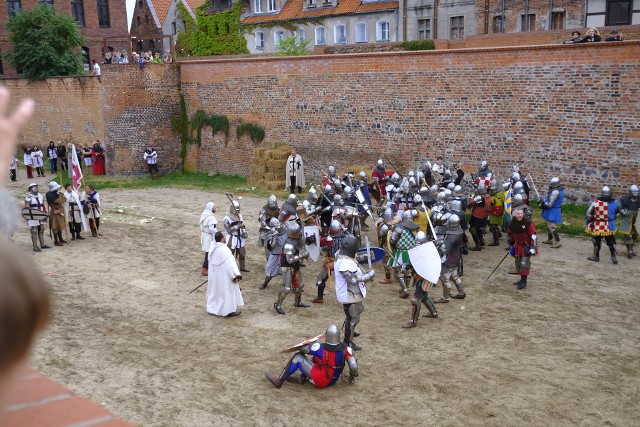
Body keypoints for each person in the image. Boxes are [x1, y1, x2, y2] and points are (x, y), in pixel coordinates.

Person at [265, 325, 358, 389]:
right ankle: (303, 377)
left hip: (322, 380)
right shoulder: (346, 350)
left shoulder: (320, 349)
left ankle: (279, 381)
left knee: (298, 358)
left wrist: (311, 342)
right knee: (316, 359)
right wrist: (351, 377)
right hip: (334, 379)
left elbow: (303, 349)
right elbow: (353, 366)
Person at [335, 235, 374, 351]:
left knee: (357, 312)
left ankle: (350, 332)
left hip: (353, 293)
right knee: (353, 318)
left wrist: (365, 256)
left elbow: (354, 259)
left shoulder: (341, 255)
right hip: (349, 294)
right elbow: (352, 280)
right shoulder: (343, 263)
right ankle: (348, 343)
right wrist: (369, 276)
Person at [403, 231, 438, 328]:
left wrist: (405, 267)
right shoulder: (429, 249)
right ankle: (433, 313)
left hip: (423, 278)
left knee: (416, 299)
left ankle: (413, 321)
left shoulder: (424, 252)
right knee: (424, 296)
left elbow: (414, 262)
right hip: (424, 276)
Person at [274, 222, 310, 314]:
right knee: (287, 288)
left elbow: (302, 243)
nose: (300, 233)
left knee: (300, 285)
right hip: (287, 267)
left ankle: (298, 302)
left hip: (295, 266)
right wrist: (302, 256)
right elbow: (289, 260)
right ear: (293, 233)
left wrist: (304, 238)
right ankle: (278, 305)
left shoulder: (296, 240)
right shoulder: (288, 245)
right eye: (298, 232)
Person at [206, 231, 244, 317]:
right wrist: (235, 276)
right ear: (222, 239)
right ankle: (228, 311)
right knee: (227, 292)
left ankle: (214, 308)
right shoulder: (225, 250)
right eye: (224, 236)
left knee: (217, 292)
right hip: (225, 276)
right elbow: (231, 265)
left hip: (216, 276)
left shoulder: (212, 248)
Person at [313, 220, 347, 303]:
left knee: (320, 279)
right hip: (344, 262)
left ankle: (319, 298)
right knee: (347, 279)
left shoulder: (329, 239)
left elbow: (318, 242)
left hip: (332, 263)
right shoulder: (347, 238)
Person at [436, 214, 467, 302]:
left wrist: (439, 245)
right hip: (456, 256)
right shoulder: (459, 231)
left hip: (449, 259)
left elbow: (445, 250)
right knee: (454, 276)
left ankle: (445, 298)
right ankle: (461, 293)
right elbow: (449, 243)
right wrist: (442, 241)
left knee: (444, 278)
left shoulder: (452, 236)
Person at [586, 186, 620, 264]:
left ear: (602, 193)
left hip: (598, 225)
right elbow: (618, 214)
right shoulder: (615, 202)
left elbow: (588, 214)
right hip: (610, 224)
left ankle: (596, 257)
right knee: (611, 241)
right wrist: (612, 218)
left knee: (596, 241)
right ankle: (613, 257)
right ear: (610, 193)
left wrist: (592, 218)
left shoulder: (596, 202)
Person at [507, 205, 538, 290]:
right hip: (517, 247)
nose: (520, 215)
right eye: (518, 214)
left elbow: (533, 235)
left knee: (524, 264)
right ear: (514, 215)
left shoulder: (528, 223)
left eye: (521, 213)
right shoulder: (512, 224)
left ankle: (524, 282)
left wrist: (532, 247)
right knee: (518, 262)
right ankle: (521, 279)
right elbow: (511, 234)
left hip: (526, 247)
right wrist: (511, 241)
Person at [259, 218, 287, 290]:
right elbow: (271, 247)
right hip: (275, 255)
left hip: (285, 254)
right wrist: (274, 236)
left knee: (288, 270)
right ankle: (265, 283)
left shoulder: (286, 231)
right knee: (270, 269)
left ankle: (291, 286)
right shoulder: (270, 235)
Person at [223, 199, 249, 272]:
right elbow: (229, 230)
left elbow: (242, 225)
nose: (237, 211)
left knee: (242, 254)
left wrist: (244, 232)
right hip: (231, 238)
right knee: (230, 254)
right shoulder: (226, 218)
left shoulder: (239, 216)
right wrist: (237, 226)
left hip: (239, 238)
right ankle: (228, 268)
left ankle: (242, 267)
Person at [24, 183, 51, 252]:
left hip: (40, 215)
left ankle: (42, 244)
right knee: (34, 231)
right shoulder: (28, 198)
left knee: (41, 229)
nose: (36, 189)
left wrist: (44, 213)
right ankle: (35, 247)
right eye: (34, 188)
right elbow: (27, 209)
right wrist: (29, 217)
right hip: (33, 217)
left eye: (37, 188)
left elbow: (43, 206)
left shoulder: (40, 196)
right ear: (31, 189)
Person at [540, 177, 564, 248]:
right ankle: (550, 240)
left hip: (553, 210)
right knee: (548, 225)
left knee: (551, 226)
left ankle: (557, 242)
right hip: (555, 209)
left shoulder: (555, 192)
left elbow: (550, 204)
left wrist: (542, 205)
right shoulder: (560, 190)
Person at [45, 181, 68, 247]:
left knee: (60, 226)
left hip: (60, 211)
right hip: (54, 211)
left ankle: (60, 239)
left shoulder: (56, 193)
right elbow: (58, 201)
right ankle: (56, 241)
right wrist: (61, 194)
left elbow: (64, 200)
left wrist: (62, 195)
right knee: (55, 226)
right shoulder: (49, 195)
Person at [619, 185, 639, 258]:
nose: (635, 195)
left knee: (635, 236)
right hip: (627, 219)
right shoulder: (624, 199)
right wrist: (623, 212)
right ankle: (629, 250)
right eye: (634, 193)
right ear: (630, 192)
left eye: (637, 193)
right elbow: (620, 208)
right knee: (628, 236)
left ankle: (631, 248)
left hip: (637, 219)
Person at [199, 202, 218, 276]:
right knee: (209, 252)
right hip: (208, 236)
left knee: (209, 251)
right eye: (214, 207)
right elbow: (211, 229)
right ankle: (205, 268)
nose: (215, 208)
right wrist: (217, 233)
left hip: (205, 235)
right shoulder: (210, 217)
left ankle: (208, 266)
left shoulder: (205, 214)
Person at [488, 179, 505, 246]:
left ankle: (496, 241)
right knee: (492, 226)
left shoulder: (500, 194)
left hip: (498, 213)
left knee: (493, 227)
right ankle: (498, 235)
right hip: (493, 212)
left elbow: (499, 205)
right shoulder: (494, 193)